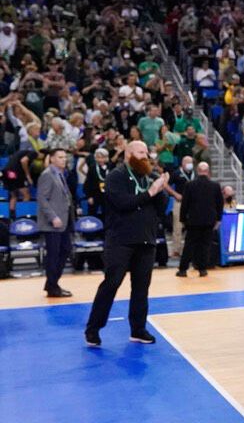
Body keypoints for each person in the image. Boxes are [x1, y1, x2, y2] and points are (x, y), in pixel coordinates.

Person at [84, 141, 170, 346]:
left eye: (146, 152)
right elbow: (122, 204)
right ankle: (93, 328)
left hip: (146, 239)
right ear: (128, 154)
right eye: (141, 152)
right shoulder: (116, 176)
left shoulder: (149, 177)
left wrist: (161, 190)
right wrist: (150, 192)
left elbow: (161, 207)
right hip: (121, 240)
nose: (145, 156)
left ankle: (138, 329)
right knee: (111, 284)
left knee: (141, 288)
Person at [176, 162, 223, 278]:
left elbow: (184, 204)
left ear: (197, 171)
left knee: (189, 245)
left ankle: (183, 269)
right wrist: (218, 219)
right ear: (208, 171)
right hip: (209, 220)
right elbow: (220, 204)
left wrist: (182, 219)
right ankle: (202, 269)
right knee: (205, 245)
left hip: (193, 221)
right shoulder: (215, 186)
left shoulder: (190, 185)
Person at [37, 149, 74, 297]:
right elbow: (42, 198)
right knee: (54, 254)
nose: (64, 160)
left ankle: (52, 283)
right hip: (53, 223)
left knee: (65, 250)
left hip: (64, 221)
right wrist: (53, 217)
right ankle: (52, 287)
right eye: (60, 157)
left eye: (65, 157)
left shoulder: (59, 174)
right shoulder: (47, 175)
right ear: (51, 159)